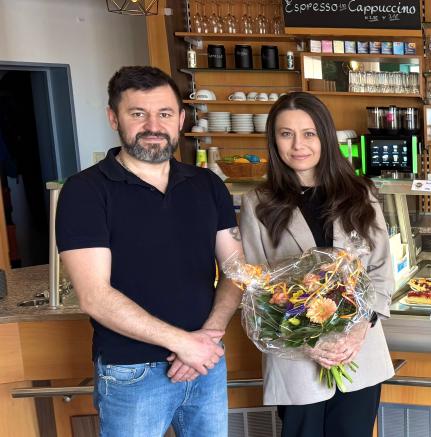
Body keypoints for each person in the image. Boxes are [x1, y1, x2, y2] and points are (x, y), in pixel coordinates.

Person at [56, 66, 243, 437]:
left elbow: (236, 269)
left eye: (165, 113)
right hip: (132, 372)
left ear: (181, 119)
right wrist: (184, 344)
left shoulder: (207, 184)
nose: (153, 125)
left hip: (206, 361)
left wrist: (208, 336)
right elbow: (94, 296)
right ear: (114, 118)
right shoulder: (85, 191)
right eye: (138, 113)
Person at [238, 92, 395, 437]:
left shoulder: (360, 194)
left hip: (359, 355)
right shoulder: (258, 204)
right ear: (273, 140)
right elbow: (258, 290)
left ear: (325, 136)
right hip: (296, 360)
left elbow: (382, 271)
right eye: (286, 134)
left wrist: (357, 331)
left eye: (309, 133)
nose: (298, 145)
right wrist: (310, 343)